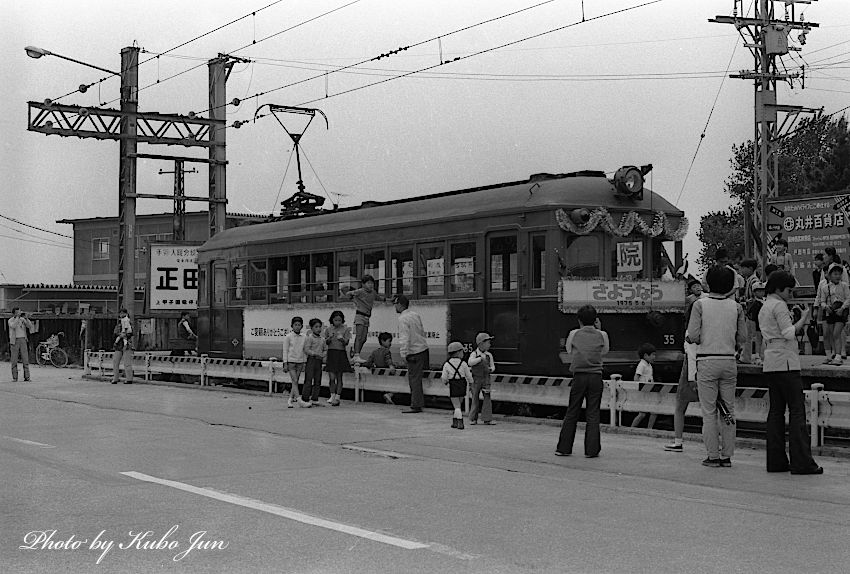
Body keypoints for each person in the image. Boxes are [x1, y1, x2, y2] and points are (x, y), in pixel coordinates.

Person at [758, 270, 823, 475]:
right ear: (779, 288)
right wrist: (803, 318)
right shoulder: (779, 305)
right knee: (797, 411)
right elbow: (788, 332)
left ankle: (776, 461)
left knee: (776, 412)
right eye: (788, 290)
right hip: (786, 361)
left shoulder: (764, 306)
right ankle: (802, 462)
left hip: (770, 361)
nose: (790, 293)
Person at [686, 266, 747, 468]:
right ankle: (727, 456)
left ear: (708, 283)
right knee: (728, 409)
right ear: (730, 285)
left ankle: (712, 455)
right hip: (729, 361)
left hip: (706, 361)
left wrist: (689, 337)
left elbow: (693, 336)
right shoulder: (736, 307)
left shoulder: (699, 305)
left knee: (709, 411)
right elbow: (743, 338)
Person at [556, 305, 609, 458]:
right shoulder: (603, 335)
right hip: (595, 376)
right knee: (593, 413)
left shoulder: (573, 333)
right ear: (596, 319)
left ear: (579, 319)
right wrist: (599, 329)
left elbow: (569, 350)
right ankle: (591, 450)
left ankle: (564, 448)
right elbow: (604, 351)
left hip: (579, 376)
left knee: (572, 411)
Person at [394, 294, 429, 413]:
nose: (395, 307)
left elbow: (405, 337)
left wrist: (403, 353)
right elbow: (421, 331)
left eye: (395, 304)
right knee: (420, 378)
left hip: (414, 352)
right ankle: (422, 402)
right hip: (423, 349)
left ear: (399, 304)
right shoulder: (415, 315)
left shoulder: (403, 319)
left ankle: (416, 405)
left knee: (414, 379)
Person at [341, 275, 385, 363]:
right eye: (368, 283)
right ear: (363, 284)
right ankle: (357, 355)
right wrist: (352, 297)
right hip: (360, 316)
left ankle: (355, 354)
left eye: (372, 283)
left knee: (364, 338)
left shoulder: (373, 292)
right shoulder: (360, 291)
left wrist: (389, 299)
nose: (371, 285)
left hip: (367, 317)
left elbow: (379, 298)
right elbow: (348, 293)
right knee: (359, 336)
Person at [817, 262, 849, 365]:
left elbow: (848, 298)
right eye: (835, 274)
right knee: (829, 334)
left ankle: (838, 356)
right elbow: (821, 300)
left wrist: (842, 308)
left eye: (839, 274)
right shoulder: (825, 287)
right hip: (829, 313)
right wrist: (825, 307)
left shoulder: (844, 286)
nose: (837, 276)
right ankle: (830, 356)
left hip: (841, 312)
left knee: (836, 333)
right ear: (829, 275)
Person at [441, 341, 474, 430]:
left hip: (453, 384)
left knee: (456, 406)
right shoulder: (463, 363)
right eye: (462, 351)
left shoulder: (447, 364)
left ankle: (460, 422)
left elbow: (444, 377)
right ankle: (454, 421)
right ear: (458, 352)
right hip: (462, 384)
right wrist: (471, 383)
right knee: (459, 403)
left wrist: (445, 382)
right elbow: (469, 375)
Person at [282, 316, 311, 408]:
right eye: (295, 325)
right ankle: (299, 400)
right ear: (292, 326)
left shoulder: (304, 337)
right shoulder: (288, 337)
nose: (297, 327)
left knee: (295, 382)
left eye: (299, 325)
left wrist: (305, 362)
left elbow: (305, 350)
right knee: (294, 380)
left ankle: (290, 400)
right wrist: (285, 363)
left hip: (300, 361)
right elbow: (285, 350)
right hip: (291, 361)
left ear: (302, 326)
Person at [324, 310, 351, 407]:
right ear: (332, 320)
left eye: (339, 320)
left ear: (342, 320)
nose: (337, 322)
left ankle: (338, 397)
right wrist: (329, 338)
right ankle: (332, 395)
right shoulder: (328, 329)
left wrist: (342, 339)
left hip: (340, 353)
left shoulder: (346, 329)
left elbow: (347, 342)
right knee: (331, 377)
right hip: (331, 353)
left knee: (339, 376)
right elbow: (325, 342)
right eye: (335, 320)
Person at [468, 332, 496, 425]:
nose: (489, 345)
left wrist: (491, 369)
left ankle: (487, 418)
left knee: (487, 397)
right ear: (481, 343)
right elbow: (470, 362)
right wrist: (480, 359)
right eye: (488, 342)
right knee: (475, 398)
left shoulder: (489, 355)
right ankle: (473, 418)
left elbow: (493, 366)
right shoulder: (474, 354)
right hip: (476, 379)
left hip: (486, 379)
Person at [362, 332, 396, 404]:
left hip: (378, 376)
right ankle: (389, 394)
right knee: (395, 386)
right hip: (387, 375)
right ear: (383, 341)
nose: (390, 343)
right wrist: (391, 366)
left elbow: (368, 363)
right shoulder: (387, 351)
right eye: (389, 341)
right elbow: (388, 360)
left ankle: (387, 398)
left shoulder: (375, 352)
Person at [630, 343, 658, 429]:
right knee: (642, 414)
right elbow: (636, 377)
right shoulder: (642, 365)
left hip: (649, 392)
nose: (654, 357)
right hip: (643, 393)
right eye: (653, 355)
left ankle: (649, 429)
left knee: (653, 412)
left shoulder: (649, 365)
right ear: (646, 355)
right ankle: (632, 429)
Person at [738, 259, 760, 364]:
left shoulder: (754, 281)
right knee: (748, 335)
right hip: (749, 311)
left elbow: (756, 297)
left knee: (748, 336)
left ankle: (746, 357)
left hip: (751, 311)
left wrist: (745, 302)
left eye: (743, 268)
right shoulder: (749, 280)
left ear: (750, 268)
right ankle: (746, 356)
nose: (741, 270)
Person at [301, 318, 327, 406]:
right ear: (311, 328)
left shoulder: (323, 339)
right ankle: (305, 398)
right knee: (308, 379)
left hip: (319, 361)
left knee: (317, 379)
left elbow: (325, 349)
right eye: (316, 327)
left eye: (320, 327)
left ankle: (315, 398)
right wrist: (314, 354)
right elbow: (306, 349)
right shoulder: (309, 338)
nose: (319, 329)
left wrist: (323, 355)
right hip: (311, 360)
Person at [8, 308, 34, 382]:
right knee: (14, 359)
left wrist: (26, 318)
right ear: (14, 313)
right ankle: (15, 377)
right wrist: (17, 318)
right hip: (14, 340)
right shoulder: (10, 320)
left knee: (25, 358)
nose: (19, 313)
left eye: (20, 312)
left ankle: (27, 377)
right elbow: (13, 326)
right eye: (17, 312)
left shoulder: (22, 320)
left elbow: (30, 326)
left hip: (23, 339)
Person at [111, 308, 134, 384]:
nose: (121, 315)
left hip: (127, 344)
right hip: (119, 345)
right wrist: (119, 334)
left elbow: (131, 332)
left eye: (122, 313)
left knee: (127, 363)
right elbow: (114, 333)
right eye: (120, 313)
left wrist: (125, 335)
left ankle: (129, 379)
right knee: (115, 362)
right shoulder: (118, 324)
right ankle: (115, 378)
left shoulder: (129, 322)